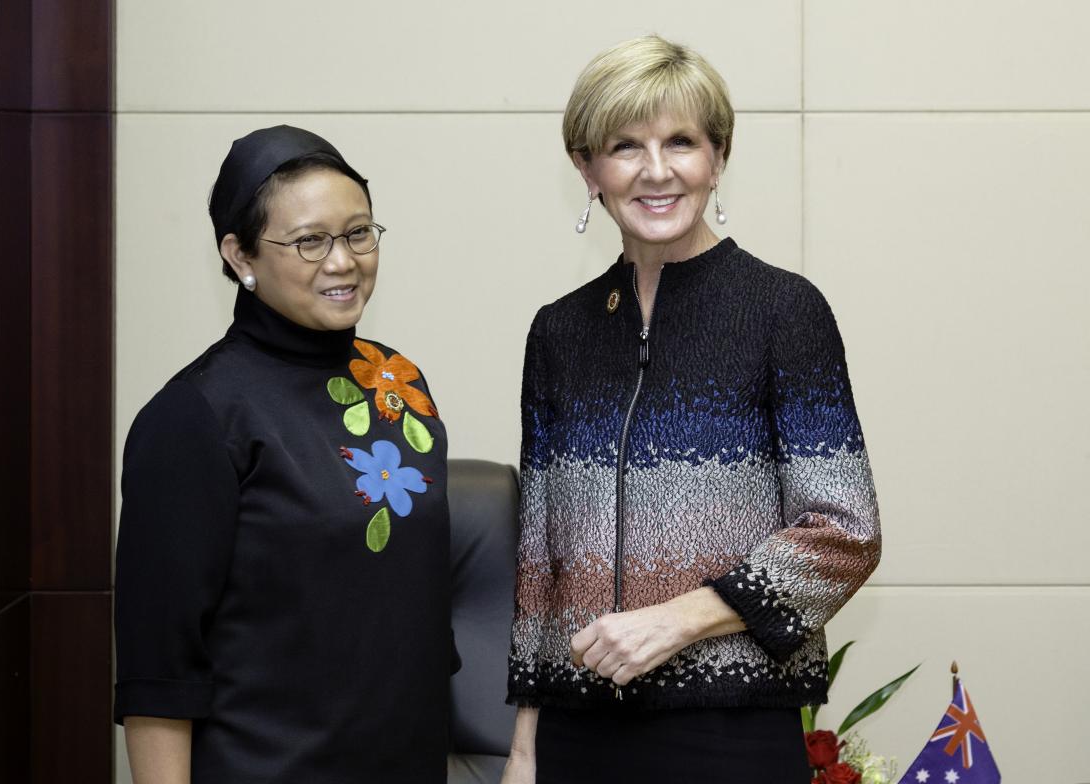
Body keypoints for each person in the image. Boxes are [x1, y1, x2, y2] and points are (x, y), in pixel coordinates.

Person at [502, 36, 880, 783]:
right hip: (577, 736)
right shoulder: (560, 331)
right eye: (625, 146)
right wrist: (523, 750)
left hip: (730, 732)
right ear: (587, 167)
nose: (656, 170)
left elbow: (844, 533)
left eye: (681, 142)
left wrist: (676, 620)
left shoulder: (781, 311)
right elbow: (540, 564)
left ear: (718, 156)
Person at [114, 125, 453, 783]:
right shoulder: (194, 417)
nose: (342, 261)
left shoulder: (399, 384)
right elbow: (159, 672)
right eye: (309, 241)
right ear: (240, 255)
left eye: (358, 233)